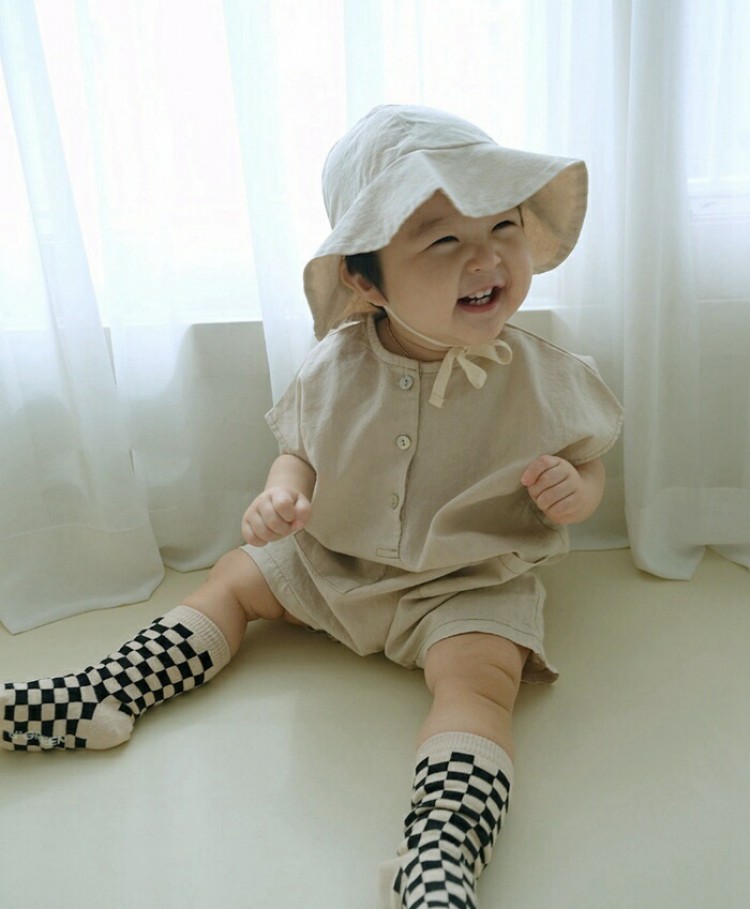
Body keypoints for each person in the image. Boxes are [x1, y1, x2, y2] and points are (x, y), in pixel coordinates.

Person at [1, 105, 623, 908]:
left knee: (480, 681)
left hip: (464, 584)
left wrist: (577, 491)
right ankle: (108, 689)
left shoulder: (544, 373)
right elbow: (300, 445)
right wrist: (283, 490)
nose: (486, 257)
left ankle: (440, 850)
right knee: (235, 577)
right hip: (330, 562)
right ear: (366, 279)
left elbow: (589, 458)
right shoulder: (336, 363)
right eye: (443, 240)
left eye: (504, 225)